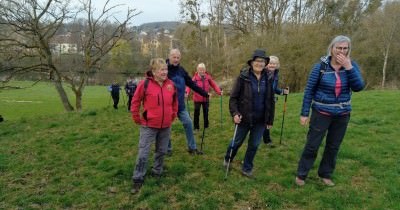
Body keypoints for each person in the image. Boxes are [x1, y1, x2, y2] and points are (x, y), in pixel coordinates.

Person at [295, 35, 365, 187]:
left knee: (333, 146)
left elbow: (359, 87)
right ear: (331, 48)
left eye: (345, 48)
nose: (341, 51)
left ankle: (325, 173)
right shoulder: (320, 67)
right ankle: (302, 174)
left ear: (348, 49)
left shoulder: (351, 66)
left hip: (342, 114)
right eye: (338, 48)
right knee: (312, 145)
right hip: (321, 113)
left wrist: (348, 67)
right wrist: (304, 113)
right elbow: (309, 91)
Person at [223, 49, 275, 178]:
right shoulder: (243, 77)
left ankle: (247, 167)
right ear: (251, 63)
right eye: (257, 61)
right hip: (243, 118)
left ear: (265, 63)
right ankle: (228, 159)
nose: (259, 63)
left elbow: (270, 100)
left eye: (262, 61)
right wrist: (235, 113)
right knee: (236, 142)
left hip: (260, 119)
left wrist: (270, 120)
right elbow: (233, 98)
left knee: (254, 144)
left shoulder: (269, 77)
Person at [130, 58, 178, 194]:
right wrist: (135, 115)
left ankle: (157, 171)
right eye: (162, 70)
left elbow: (175, 101)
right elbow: (135, 100)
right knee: (143, 153)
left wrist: (173, 114)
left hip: (165, 125)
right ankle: (138, 178)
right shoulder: (144, 84)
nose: (165, 72)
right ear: (154, 71)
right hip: (148, 125)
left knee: (162, 151)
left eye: (166, 69)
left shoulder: (171, 85)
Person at [166, 49, 209, 155]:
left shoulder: (181, 70)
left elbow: (192, 84)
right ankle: (167, 149)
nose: (176, 59)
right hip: (167, 105)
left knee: (188, 123)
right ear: (169, 56)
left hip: (180, 105)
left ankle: (192, 147)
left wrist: (204, 93)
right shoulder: (164, 70)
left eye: (178, 57)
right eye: (174, 57)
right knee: (166, 127)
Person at [185, 63, 222, 132]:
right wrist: (186, 92)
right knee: (197, 113)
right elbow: (189, 86)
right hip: (197, 99)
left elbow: (214, 85)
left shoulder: (208, 77)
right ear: (197, 70)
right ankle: (196, 127)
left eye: (203, 70)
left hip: (206, 99)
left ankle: (206, 126)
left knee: (206, 112)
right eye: (200, 70)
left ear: (205, 70)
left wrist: (219, 92)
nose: (202, 71)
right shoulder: (195, 78)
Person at [262, 56, 289, 148]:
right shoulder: (263, 73)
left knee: (269, 120)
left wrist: (282, 92)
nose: (272, 65)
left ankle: (265, 137)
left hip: (271, 100)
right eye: (270, 63)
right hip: (263, 99)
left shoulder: (276, 74)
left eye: (274, 63)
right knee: (264, 119)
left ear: (277, 65)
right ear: (266, 64)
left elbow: (274, 89)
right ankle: (266, 139)